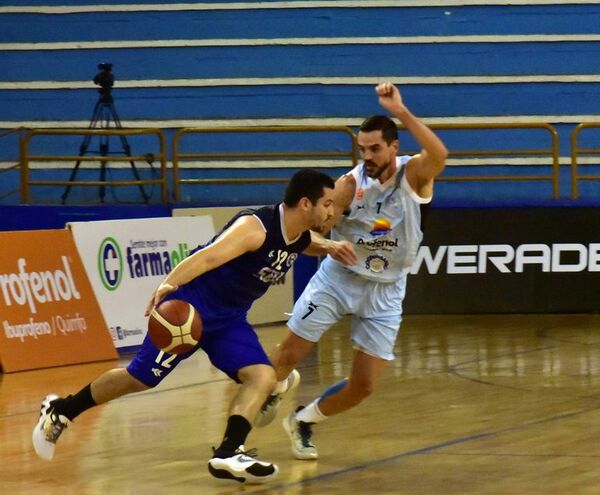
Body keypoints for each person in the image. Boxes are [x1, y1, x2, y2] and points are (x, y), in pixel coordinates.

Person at [32, 169, 357, 484]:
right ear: (305, 204)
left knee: (263, 375)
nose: (332, 211)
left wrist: (329, 246)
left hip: (229, 319)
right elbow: (208, 258)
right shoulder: (254, 228)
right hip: (191, 313)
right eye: (327, 204)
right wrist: (168, 284)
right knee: (139, 379)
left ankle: (230, 452)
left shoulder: (298, 235)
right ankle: (62, 409)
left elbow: (304, 243)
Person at [255, 82, 448, 460]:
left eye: (376, 148)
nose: (368, 155)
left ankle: (303, 420)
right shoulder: (346, 186)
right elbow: (311, 233)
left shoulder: (414, 176)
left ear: (395, 147)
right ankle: (239, 439)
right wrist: (325, 242)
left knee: (363, 386)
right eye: (363, 149)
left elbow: (440, 153)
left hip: (387, 288)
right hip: (339, 279)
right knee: (287, 355)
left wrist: (402, 111)